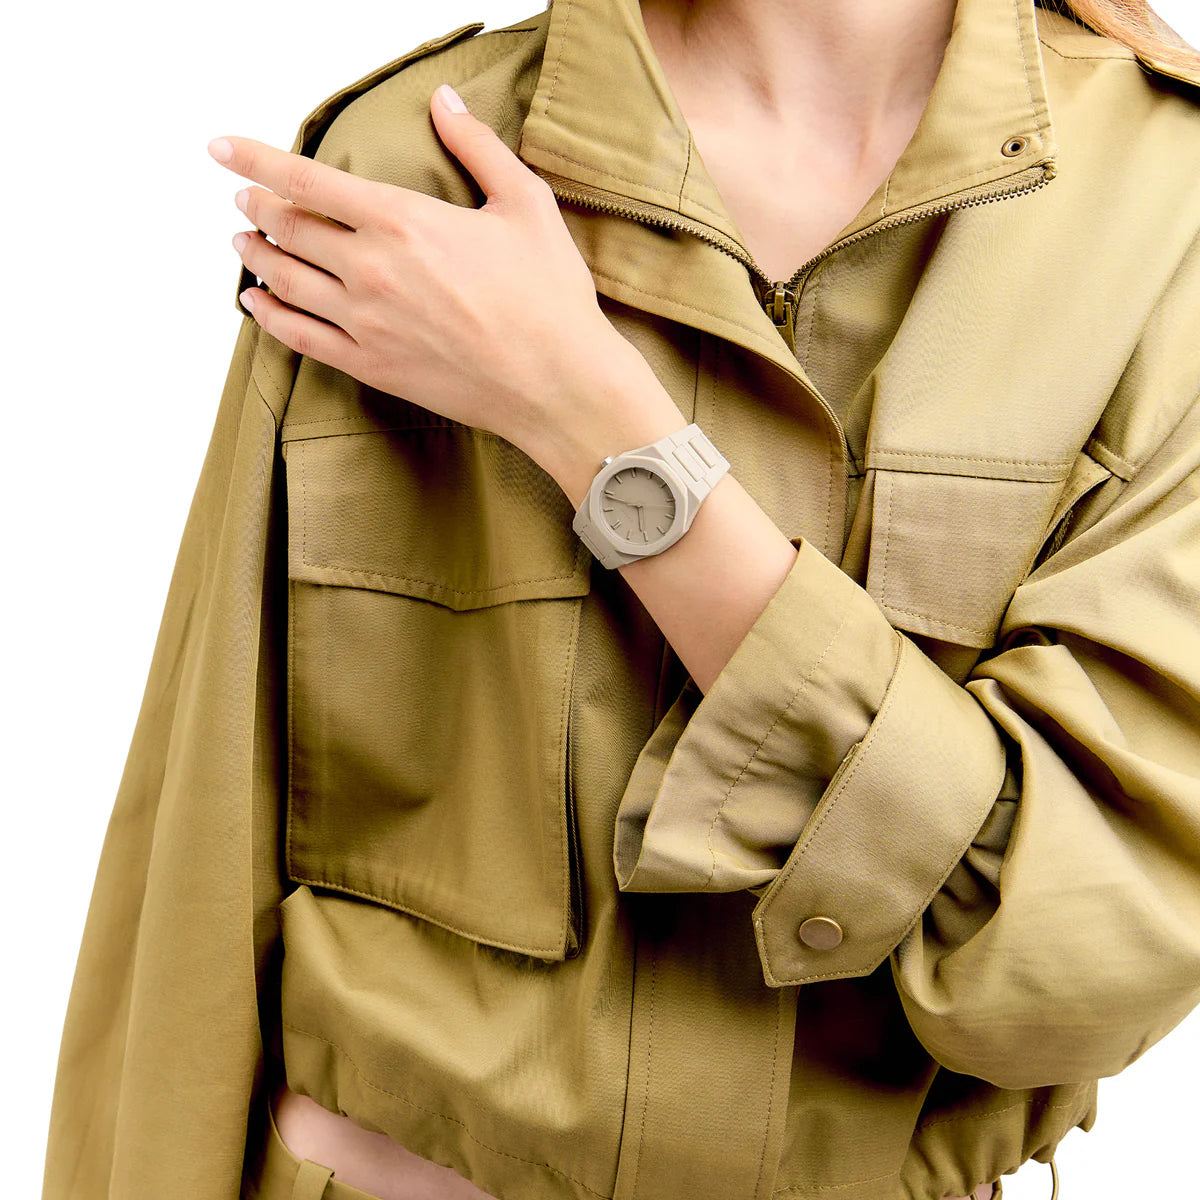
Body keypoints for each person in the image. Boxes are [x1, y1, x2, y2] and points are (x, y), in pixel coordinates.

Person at [42, 0, 1200, 1198]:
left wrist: (584, 412)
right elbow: (202, 840)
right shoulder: (418, 170)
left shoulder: (1173, 210)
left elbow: (1079, 960)